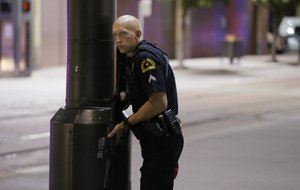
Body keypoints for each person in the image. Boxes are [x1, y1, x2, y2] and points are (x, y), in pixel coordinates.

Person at [108, 15, 184, 190]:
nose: (118, 40)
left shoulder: (144, 59)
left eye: (123, 34)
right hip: (161, 140)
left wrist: (126, 123)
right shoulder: (136, 56)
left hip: (161, 140)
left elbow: (159, 102)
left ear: (137, 34)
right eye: (115, 35)